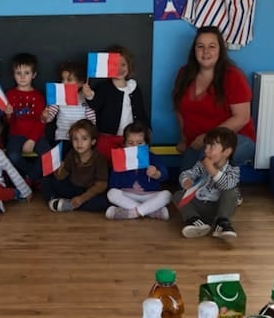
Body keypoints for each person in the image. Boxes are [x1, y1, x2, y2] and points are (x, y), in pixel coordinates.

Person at [171, 25, 256, 171]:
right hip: (197, 144)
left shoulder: (233, 76)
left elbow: (241, 118)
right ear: (194, 50)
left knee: (208, 159)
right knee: (184, 183)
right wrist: (184, 139)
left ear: (220, 50)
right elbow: (179, 109)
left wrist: (207, 138)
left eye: (212, 46)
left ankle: (222, 189)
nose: (206, 52)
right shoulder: (184, 74)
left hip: (234, 139)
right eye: (200, 46)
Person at [83, 45, 148, 161]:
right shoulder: (103, 87)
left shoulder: (134, 87)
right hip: (107, 137)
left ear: (129, 66)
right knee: (106, 165)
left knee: (128, 165)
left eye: (123, 64)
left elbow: (141, 111)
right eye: (115, 65)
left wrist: (147, 129)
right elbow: (96, 105)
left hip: (131, 139)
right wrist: (89, 95)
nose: (120, 69)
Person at [176, 126, 240, 240]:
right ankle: (195, 221)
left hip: (218, 207)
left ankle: (222, 224)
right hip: (200, 204)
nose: (206, 150)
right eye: (206, 146)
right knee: (178, 195)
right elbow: (188, 173)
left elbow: (227, 184)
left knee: (232, 191)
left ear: (226, 151)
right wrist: (186, 180)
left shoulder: (233, 169)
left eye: (212, 147)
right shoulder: (202, 164)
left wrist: (211, 169)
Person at [105, 122, 172, 220]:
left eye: (140, 143)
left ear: (147, 145)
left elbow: (165, 175)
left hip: (149, 195)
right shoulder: (121, 159)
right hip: (128, 195)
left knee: (167, 195)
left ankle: (131, 213)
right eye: (130, 143)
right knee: (111, 193)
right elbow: (113, 184)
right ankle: (151, 212)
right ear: (124, 144)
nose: (135, 147)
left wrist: (156, 174)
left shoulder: (153, 158)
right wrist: (125, 169)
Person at [42, 119, 109, 213]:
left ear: (93, 141)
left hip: (89, 191)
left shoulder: (99, 159)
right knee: (46, 182)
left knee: (103, 201)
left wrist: (82, 198)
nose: (79, 143)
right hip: (73, 188)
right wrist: (59, 168)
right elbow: (61, 177)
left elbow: (101, 185)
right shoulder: (71, 154)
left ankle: (69, 205)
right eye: (75, 139)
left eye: (84, 139)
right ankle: (58, 201)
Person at [4, 52, 50, 181]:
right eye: (19, 73)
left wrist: (32, 140)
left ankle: (29, 178)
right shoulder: (10, 95)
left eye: (27, 73)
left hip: (37, 134)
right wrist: (8, 114)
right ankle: (32, 177)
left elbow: (42, 122)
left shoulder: (39, 97)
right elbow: (9, 122)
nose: (23, 77)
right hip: (16, 134)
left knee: (48, 156)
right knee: (12, 156)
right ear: (13, 75)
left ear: (34, 75)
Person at [42, 58, 96, 156]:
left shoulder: (85, 97)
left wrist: (89, 95)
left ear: (80, 83)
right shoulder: (59, 95)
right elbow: (50, 117)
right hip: (63, 137)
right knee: (64, 162)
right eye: (63, 79)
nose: (64, 83)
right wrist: (45, 116)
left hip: (81, 139)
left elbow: (92, 120)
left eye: (69, 80)